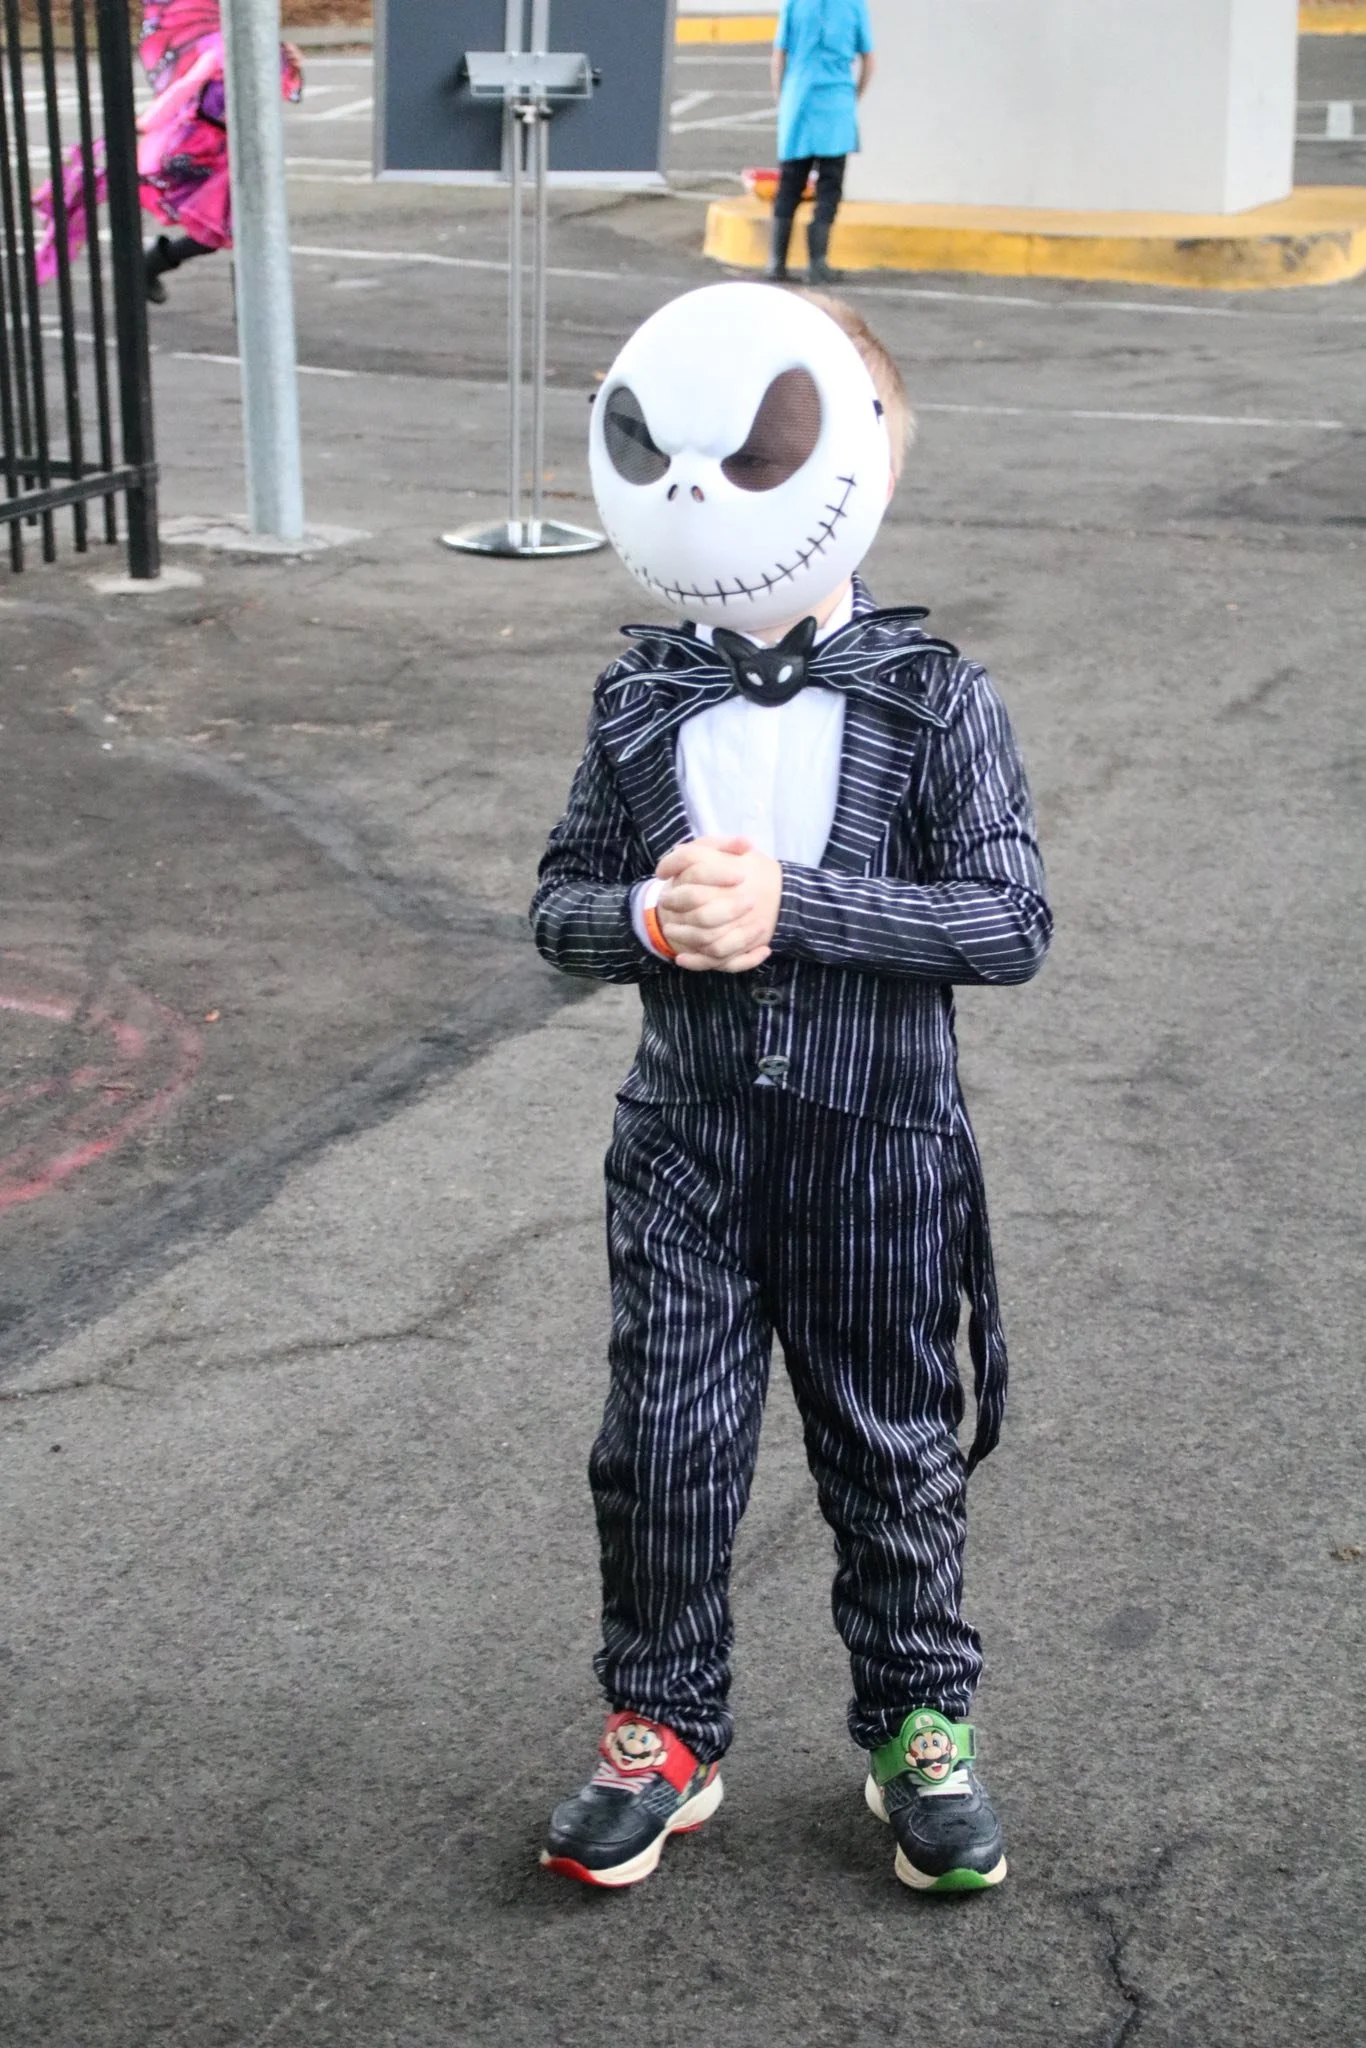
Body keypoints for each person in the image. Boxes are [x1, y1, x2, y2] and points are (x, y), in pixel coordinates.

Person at [530, 282, 1051, 1894]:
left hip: (875, 1139)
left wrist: (798, 909)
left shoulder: (932, 696)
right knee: (661, 1445)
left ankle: (918, 1725)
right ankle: (662, 1728)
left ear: (866, 454)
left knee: (887, 1440)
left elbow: (1007, 920)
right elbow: (554, 904)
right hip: (682, 1139)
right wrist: (638, 915)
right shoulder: (637, 698)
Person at [31, 2, 302, 304]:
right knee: (230, 226)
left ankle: (157, 267)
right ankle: (248, 309)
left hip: (235, 153)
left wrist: (292, 64)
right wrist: (146, 123)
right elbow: (184, 88)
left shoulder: (271, 54)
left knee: (233, 228)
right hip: (195, 148)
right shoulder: (220, 51)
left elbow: (283, 93)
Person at [768, 0, 875, 285]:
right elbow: (869, 60)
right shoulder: (853, 6)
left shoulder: (793, 3)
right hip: (837, 103)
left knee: (789, 184)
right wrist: (852, 97)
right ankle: (817, 263)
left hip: (798, 100)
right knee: (829, 186)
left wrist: (782, 99)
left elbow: (779, 57)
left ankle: (776, 262)